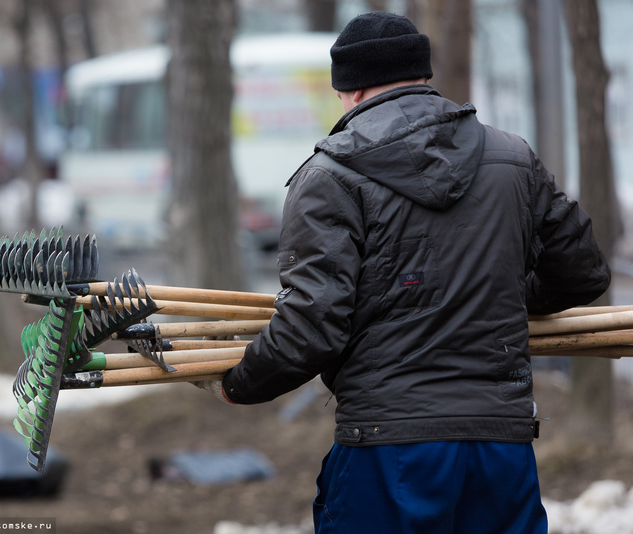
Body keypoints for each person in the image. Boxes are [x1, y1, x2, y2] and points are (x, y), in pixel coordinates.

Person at [194, 11, 611, 533]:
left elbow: (311, 325)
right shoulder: (514, 158)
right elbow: (583, 273)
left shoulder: (330, 176)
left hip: (389, 450)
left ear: (350, 89)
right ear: (423, 75)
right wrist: (492, 292)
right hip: (501, 449)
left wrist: (238, 384)